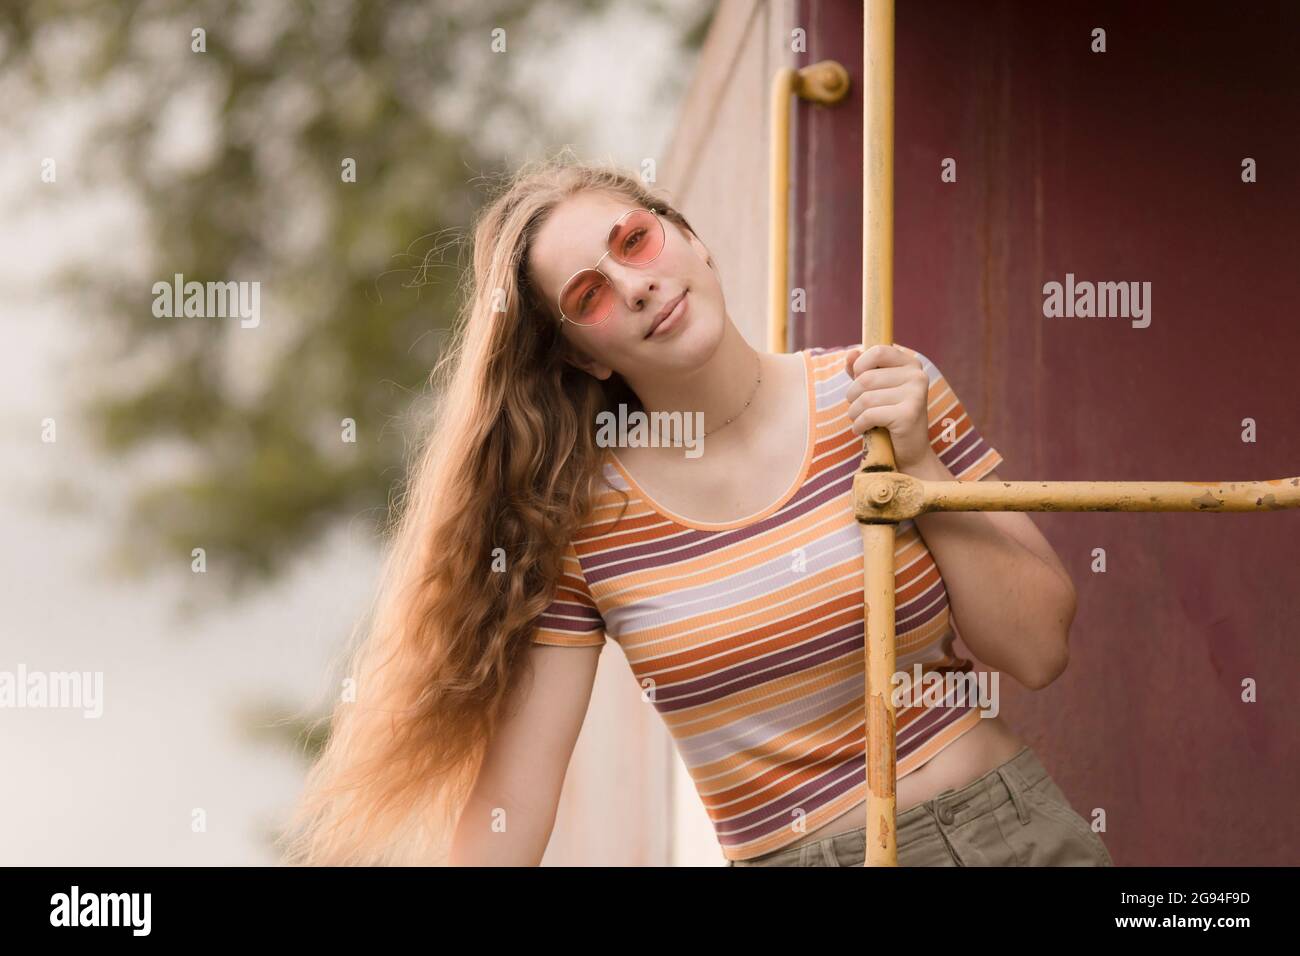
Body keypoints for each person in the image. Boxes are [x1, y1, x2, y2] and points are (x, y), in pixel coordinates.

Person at [280, 153, 1113, 867]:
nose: (636, 286)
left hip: (1010, 836)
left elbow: (1037, 650)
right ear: (581, 354)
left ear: (689, 237)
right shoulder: (584, 523)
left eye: (635, 241)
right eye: (590, 295)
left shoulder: (881, 393)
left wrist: (922, 461)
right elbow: (513, 805)